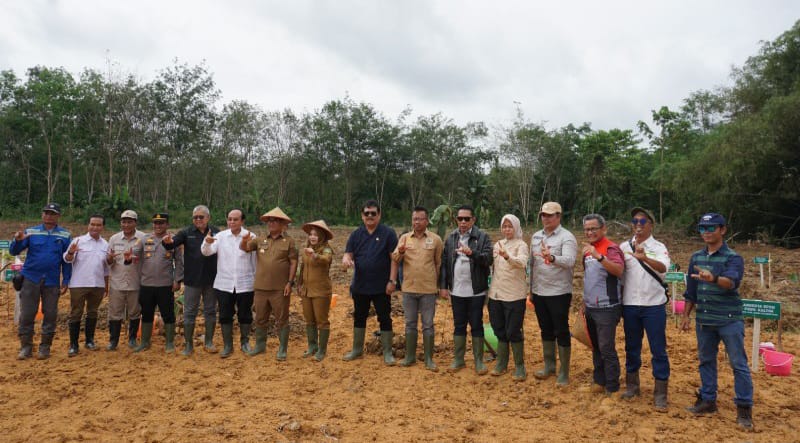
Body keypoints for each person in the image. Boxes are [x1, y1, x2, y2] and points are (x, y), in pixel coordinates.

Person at [681, 213, 753, 430]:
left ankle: (744, 408)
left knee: (738, 364)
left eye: (711, 228)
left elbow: (731, 282)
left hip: (729, 319)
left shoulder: (733, 258)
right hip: (704, 320)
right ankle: (708, 400)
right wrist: (685, 315)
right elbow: (690, 292)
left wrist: (712, 278)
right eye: (702, 228)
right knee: (705, 360)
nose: (706, 232)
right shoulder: (696, 258)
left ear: (723, 230)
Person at [620, 207, 671, 409]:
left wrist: (646, 259)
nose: (638, 225)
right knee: (632, 347)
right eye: (635, 221)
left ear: (651, 224)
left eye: (642, 222)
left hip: (653, 306)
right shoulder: (624, 246)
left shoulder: (658, 247)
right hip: (630, 304)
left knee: (658, 349)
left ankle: (660, 393)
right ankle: (632, 386)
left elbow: (664, 268)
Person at [10, 203, 72, 360]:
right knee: (27, 314)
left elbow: (67, 260)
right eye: (46, 213)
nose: (49, 216)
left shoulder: (65, 235)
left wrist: (66, 279)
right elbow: (14, 251)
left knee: (50, 314)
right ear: (42, 215)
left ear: (58, 216)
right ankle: (26, 347)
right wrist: (17, 241)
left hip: (52, 280)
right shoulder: (31, 232)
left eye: (53, 213)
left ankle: (45, 347)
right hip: (31, 278)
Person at [341, 199, 399, 365]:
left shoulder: (388, 233)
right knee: (359, 316)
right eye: (367, 213)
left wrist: (392, 281)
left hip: (382, 286)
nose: (370, 216)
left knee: (384, 317)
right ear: (362, 215)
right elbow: (348, 254)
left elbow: (394, 260)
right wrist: (346, 260)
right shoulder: (356, 234)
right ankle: (357, 349)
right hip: (360, 285)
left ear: (379, 215)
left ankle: (388, 352)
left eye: (373, 213)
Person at [439, 205, 493, 375]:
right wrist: (443, 286)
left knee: (476, 324)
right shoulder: (452, 238)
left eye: (466, 219)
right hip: (456, 291)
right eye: (459, 219)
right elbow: (445, 264)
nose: (462, 222)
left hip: (475, 291)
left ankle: (478, 361)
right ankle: (459, 359)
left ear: (473, 220)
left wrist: (472, 253)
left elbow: (488, 260)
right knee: (459, 324)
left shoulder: (482, 237)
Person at [529, 202, 577, 385]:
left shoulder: (567, 237)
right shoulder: (535, 237)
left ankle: (564, 371)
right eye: (543, 215)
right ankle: (549, 366)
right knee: (546, 329)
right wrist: (531, 289)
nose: (545, 218)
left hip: (558, 292)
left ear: (559, 216)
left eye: (550, 215)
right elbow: (532, 264)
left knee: (561, 330)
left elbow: (570, 261)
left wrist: (552, 258)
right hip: (540, 291)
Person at [241, 207, 298, 361]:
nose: (272, 223)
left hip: (280, 289)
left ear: (283, 225)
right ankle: (260, 346)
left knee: (282, 319)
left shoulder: (289, 242)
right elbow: (245, 249)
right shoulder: (260, 240)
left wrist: (289, 283)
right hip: (260, 288)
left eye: (275, 221)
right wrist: (244, 240)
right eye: (270, 221)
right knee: (260, 318)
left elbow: (293, 262)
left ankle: (282, 349)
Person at [391, 206, 443, 371]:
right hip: (409, 289)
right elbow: (395, 258)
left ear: (427, 221)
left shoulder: (435, 239)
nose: (417, 222)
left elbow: (438, 263)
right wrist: (399, 252)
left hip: (428, 290)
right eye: (414, 219)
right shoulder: (405, 238)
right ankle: (410, 356)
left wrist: (439, 285)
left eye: (420, 219)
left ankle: (428, 358)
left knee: (428, 324)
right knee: (410, 323)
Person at [163, 205, 220, 355]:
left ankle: (208, 342)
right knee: (189, 312)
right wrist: (167, 242)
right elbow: (172, 243)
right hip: (192, 280)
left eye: (201, 217)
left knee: (211, 311)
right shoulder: (186, 233)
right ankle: (189, 345)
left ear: (208, 218)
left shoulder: (217, 232)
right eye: (195, 217)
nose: (198, 220)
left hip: (212, 280)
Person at [201, 208, 256, 358]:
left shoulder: (251, 237)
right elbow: (206, 252)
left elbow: (255, 261)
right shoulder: (220, 236)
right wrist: (206, 242)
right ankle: (228, 345)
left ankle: (245, 343)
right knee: (225, 315)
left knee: (245, 314)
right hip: (224, 283)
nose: (232, 222)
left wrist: (255, 279)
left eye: (235, 219)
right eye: (229, 219)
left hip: (245, 283)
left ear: (242, 221)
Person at [581, 213, 624, 394]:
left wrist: (599, 257)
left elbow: (618, 270)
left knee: (606, 347)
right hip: (591, 307)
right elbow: (588, 277)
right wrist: (584, 302)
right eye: (587, 229)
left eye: (593, 229)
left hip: (607, 307)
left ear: (603, 229)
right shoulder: (588, 250)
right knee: (596, 346)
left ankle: (612, 387)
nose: (590, 232)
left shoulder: (611, 249)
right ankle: (599, 381)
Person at [133, 213, 183, 353]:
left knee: (168, 314)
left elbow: (179, 262)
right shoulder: (144, 239)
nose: (158, 226)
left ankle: (169, 343)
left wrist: (177, 280)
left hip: (165, 284)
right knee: (147, 313)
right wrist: (129, 256)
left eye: (161, 223)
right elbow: (134, 253)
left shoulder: (174, 240)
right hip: (147, 284)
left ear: (167, 225)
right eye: (156, 223)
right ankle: (144, 342)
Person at [488, 214, 530, 381]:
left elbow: (522, 263)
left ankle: (520, 366)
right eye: (504, 226)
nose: (507, 229)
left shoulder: (521, 245)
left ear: (516, 228)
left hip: (514, 295)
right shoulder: (498, 244)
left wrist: (507, 256)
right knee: (499, 328)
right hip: (496, 294)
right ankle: (502, 362)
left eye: (510, 226)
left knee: (513, 330)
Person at [63, 214, 110, 356]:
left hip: (98, 284)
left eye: (98, 225)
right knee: (76, 313)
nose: (95, 227)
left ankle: (89, 341)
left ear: (102, 227)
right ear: (88, 225)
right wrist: (71, 252)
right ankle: (73, 345)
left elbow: (106, 268)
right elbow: (67, 259)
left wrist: (106, 285)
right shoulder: (78, 241)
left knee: (93, 312)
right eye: (92, 224)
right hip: (79, 284)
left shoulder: (105, 244)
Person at [106, 210, 145, 350]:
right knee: (115, 313)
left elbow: (147, 258)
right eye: (124, 222)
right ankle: (113, 341)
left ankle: (132, 339)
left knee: (135, 312)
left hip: (136, 282)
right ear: (120, 223)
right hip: (117, 283)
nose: (126, 224)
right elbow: (109, 261)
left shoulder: (143, 238)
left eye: (130, 222)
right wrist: (109, 258)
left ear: (135, 223)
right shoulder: (114, 239)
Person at [296, 220, 335, 362]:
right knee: (309, 320)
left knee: (322, 321)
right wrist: (299, 284)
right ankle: (312, 346)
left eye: (315, 235)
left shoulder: (326, 249)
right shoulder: (306, 249)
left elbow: (326, 260)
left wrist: (314, 255)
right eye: (310, 234)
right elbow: (302, 268)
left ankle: (322, 350)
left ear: (322, 237)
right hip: (306, 290)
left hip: (321, 291)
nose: (312, 237)